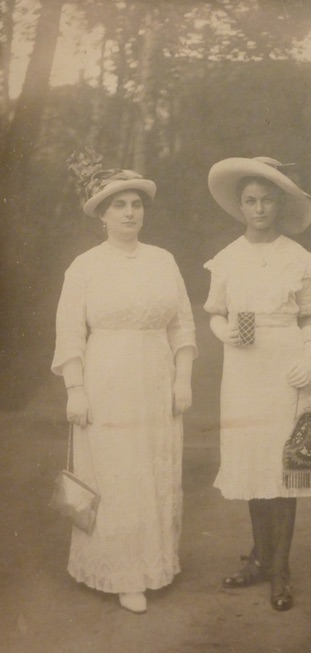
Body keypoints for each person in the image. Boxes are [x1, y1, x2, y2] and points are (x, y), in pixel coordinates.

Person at [51, 152, 197, 614]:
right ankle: (121, 573)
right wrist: (76, 389)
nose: (130, 213)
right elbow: (69, 333)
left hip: (156, 380)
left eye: (136, 204)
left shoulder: (163, 260)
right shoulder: (85, 266)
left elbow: (182, 325)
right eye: (119, 205)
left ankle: (153, 563)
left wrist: (183, 379)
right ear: (102, 214)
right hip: (107, 380)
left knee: (152, 471)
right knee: (116, 473)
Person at [204, 156, 311, 611]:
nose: (259, 209)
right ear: (240, 206)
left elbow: (308, 316)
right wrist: (224, 333)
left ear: (279, 205)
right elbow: (216, 312)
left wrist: (309, 357)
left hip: (286, 367)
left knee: (283, 469)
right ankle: (259, 558)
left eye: (267, 200)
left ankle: (281, 570)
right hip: (243, 368)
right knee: (254, 464)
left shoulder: (297, 257)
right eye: (251, 201)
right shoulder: (227, 258)